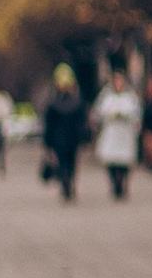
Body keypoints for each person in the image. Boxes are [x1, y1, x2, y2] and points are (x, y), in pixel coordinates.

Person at [92, 72, 142, 203]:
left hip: (125, 133)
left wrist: (127, 117)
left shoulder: (130, 97)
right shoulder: (106, 96)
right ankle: (115, 184)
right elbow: (98, 112)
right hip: (112, 132)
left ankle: (123, 184)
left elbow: (136, 113)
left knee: (124, 161)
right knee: (112, 160)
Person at [40, 68, 87, 201]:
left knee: (63, 163)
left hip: (59, 139)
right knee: (70, 163)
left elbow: (49, 124)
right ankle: (68, 183)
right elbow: (82, 122)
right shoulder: (77, 102)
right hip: (71, 138)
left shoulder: (53, 104)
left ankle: (66, 183)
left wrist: (47, 141)